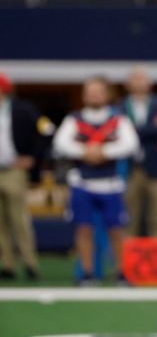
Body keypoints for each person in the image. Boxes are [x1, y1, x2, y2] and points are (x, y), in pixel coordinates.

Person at [53, 76, 140, 285]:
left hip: (110, 183)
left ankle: (121, 273)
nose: (93, 95)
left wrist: (105, 152)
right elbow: (60, 143)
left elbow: (131, 144)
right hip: (83, 182)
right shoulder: (74, 119)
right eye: (89, 91)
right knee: (83, 229)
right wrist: (85, 152)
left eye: (98, 91)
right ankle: (88, 274)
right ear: (84, 95)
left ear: (106, 94)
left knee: (116, 230)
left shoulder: (118, 119)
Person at [120, 67, 157, 240]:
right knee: (128, 219)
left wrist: (134, 131)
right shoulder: (120, 106)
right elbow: (120, 132)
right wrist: (151, 129)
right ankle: (126, 265)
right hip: (130, 169)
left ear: (150, 83)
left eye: (142, 78)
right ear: (127, 84)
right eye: (135, 78)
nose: (139, 82)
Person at [0, 73, 41, 281]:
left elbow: (45, 131)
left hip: (14, 170)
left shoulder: (23, 109)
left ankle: (30, 263)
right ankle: (7, 265)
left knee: (19, 219)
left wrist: (32, 156)